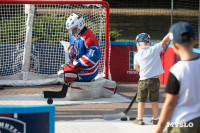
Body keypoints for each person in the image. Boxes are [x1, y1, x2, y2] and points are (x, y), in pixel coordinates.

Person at [154, 22, 200, 133]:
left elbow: (170, 103)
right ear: (195, 40)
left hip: (183, 123)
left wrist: (159, 129)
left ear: (174, 45)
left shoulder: (176, 71)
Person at [133, 33, 169, 125]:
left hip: (143, 80)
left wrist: (144, 70)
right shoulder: (154, 49)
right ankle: (155, 118)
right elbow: (164, 41)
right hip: (154, 80)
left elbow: (136, 68)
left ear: (139, 44)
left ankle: (140, 119)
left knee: (141, 100)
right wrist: (170, 32)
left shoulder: (137, 55)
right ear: (149, 43)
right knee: (154, 100)